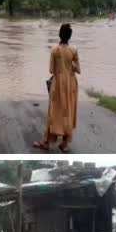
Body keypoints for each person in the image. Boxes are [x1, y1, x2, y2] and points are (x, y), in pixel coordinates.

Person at [33, 23, 80, 153]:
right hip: (71, 84)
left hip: (58, 83)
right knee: (68, 111)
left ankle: (46, 142)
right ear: (70, 36)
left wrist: (61, 67)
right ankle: (64, 144)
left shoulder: (54, 50)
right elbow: (78, 69)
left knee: (54, 111)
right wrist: (70, 66)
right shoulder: (74, 50)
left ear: (59, 34)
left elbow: (51, 70)